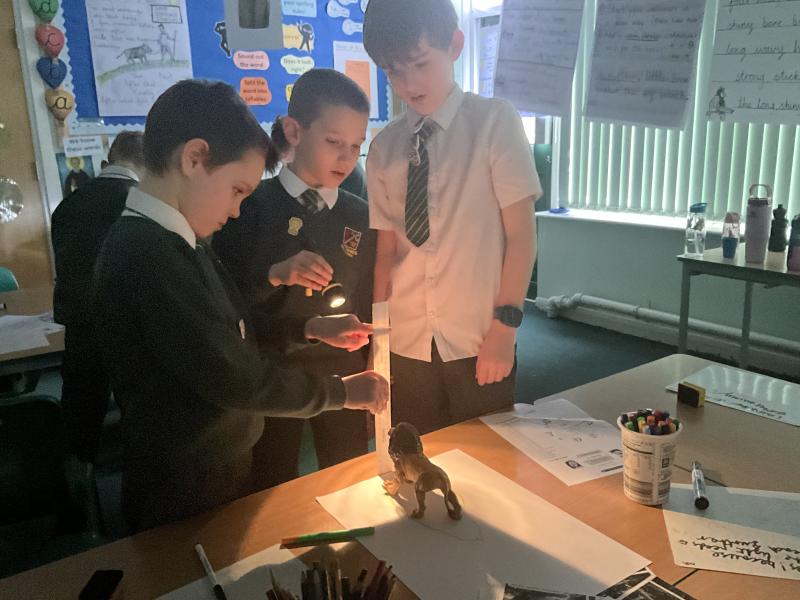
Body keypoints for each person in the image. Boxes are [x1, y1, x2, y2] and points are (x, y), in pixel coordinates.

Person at [92, 79, 387, 531]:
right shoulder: (147, 254)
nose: (235, 210)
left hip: (214, 467)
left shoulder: (183, 242)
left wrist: (309, 329)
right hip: (182, 483)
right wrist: (341, 393)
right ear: (194, 158)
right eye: (236, 190)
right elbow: (234, 376)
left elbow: (236, 328)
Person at [363, 0, 542, 434]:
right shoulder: (384, 147)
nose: (409, 84)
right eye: (393, 72)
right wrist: (378, 345)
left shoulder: (494, 123)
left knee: (488, 454)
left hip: (478, 338)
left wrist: (505, 329)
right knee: (414, 453)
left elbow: (521, 237)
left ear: (455, 45)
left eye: (421, 63)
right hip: (406, 341)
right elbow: (386, 255)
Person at [213, 69, 375, 489]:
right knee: (272, 481)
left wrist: (373, 358)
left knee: (350, 477)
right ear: (293, 131)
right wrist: (275, 275)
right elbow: (228, 302)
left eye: (356, 146)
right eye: (334, 142)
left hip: (343, 368)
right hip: (274, 370)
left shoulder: (360, 214)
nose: (346, 158)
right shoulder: (247, 208)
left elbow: (368, 297)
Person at [52, 131, 145, 465]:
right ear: (148, 166)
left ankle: (79, 474)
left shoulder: (67, 206)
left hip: (80, 322)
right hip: (127, 325)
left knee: (82, 405)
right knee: (138, 406)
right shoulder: (140, 204)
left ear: (108, 162)